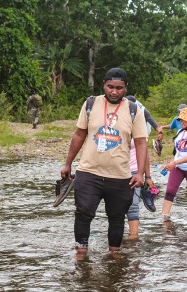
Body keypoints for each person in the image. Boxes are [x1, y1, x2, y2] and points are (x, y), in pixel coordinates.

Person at [60, 67, 148, 259]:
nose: (114, 92)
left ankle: (114, 254)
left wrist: (140, 173)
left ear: (126, 88)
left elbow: (141, 143)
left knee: (116, 218)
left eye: (119, 88)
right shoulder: (91, 104)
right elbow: (79, 134)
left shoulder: (134, 111)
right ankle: (81, 252)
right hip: (88, 172)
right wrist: (68, 163)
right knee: (83, 212)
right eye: (110, 87)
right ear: (103, 85)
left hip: (120, 177)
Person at [126, 138, 155, 240]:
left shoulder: (138, 123)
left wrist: (147, 176)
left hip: (134, 171)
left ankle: (133, 236)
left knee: (133, 205)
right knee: (115, 207)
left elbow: (144, 152)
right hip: (114, 171)